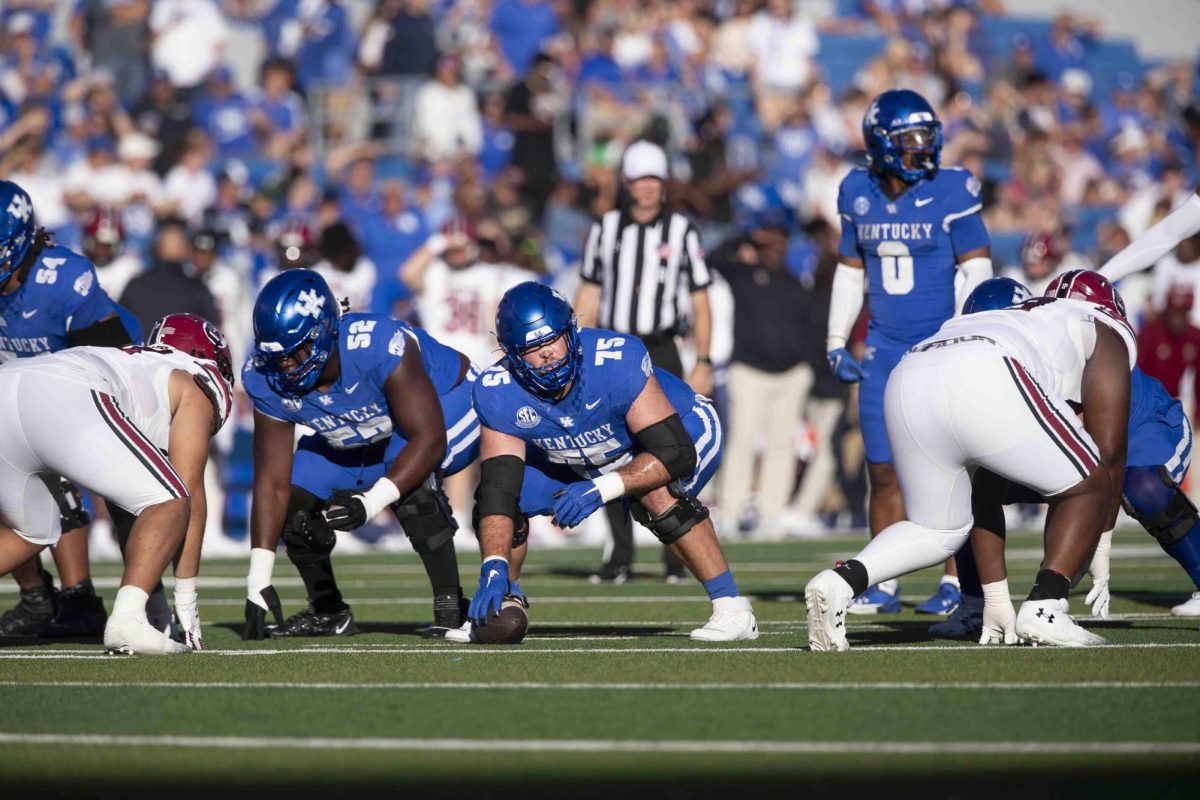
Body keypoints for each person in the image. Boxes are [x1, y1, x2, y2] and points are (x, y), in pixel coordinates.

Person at [806, 270, 1135, 650]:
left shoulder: (1016, 318)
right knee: (1090, 482)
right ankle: (1046, 606)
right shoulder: (1098, 326)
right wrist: (1102, 547)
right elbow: (1109, 454)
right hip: (986, 367)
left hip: (909, 371)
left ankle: (842, 581)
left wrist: (995, 599)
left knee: (938, 530)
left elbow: (986, 489)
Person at [455, 282, 757, 642]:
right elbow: (498, 486)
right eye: (533, 348)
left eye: (552, 340)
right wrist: (494, 565)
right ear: (513, 354)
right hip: (586, 454)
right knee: (504, 500)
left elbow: (674, 451)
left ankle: (732, 608)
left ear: (571, 332)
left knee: (657, 496)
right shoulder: (497, 389)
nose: (548, 354)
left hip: (682, 430)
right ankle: (505, 597)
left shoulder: (614, 360)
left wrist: (602, 488)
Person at [934, 276, 1200, 639]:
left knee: (1143, 487)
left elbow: (1108, 457)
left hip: (1141, 425)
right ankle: (975, 603)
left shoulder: (1055, 350)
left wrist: (1101, 547)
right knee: (964, 484)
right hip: (1086, 440)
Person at [241, 269, 479, 640]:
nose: (284, 366)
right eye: (276, 356)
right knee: (293, 501)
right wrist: (258, 579)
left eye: (295, 352)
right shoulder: (264, 377)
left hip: (449, 401)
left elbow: (426, 439)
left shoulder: (375, 344)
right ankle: (327, 610)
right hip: (366, 430)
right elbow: (271, 484)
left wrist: (369, 504)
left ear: (323, 331)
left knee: (411, 482)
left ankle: (451, 605)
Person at [824, 89, 992, 615]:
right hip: (884, 348)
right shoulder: (856, 190)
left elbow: (977, 270)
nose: (923, 148)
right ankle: (884, 582)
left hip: (939, 347)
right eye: (910, 139)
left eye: (926, 136)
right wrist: (834, 337)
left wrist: (967, 335)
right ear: (880, 144)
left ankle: (953, 583)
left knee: (950, 469)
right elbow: (851, 274)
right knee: (884, 471)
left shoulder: (951, 189)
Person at [0, 312, 234, 653]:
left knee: (32, 532)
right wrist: (186, 598)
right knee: (171, 498)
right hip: (61, 391)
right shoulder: (191, 381)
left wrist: (154, 602)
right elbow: (188, 495)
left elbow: (130, 510)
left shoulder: (132, 364)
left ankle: (135, 615)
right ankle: (127, 622)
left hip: (10, 378)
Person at [0, 180, 142, 639]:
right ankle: (37, 596)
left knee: (50, 469)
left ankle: (79, 596)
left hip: (79, 386)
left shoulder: (62, 278)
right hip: (11, 399)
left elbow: (112, 355)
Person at [574, 140, 714, 583]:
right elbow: (590, 292)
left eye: (655, 179)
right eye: (640, 180)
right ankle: (619, 555)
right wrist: (578, 344)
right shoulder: (606, 227)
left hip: (663, 347)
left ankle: (677, 553)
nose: (648, 188)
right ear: (626, 183)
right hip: (615, 347)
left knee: (670, 447)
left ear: (665, 184)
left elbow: (700, 299)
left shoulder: (683, 230)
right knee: (609, 448)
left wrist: (705, 358)